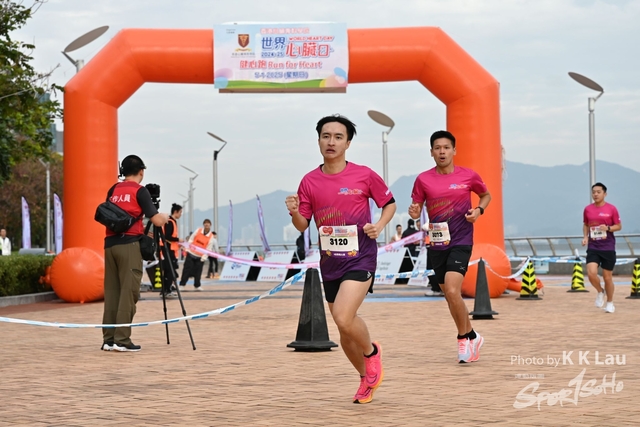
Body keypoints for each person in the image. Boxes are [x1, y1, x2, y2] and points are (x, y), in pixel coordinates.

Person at [285, 114, 396, 404]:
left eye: (338, 137)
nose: (331, 142)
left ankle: (372, 352)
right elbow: (302, 225)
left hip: (361, 258)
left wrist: (379, 226)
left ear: (348, 143)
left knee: (344, 317)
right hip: (330, 263)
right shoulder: (309, 181)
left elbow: (389, 203)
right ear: (318, 140)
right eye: (326, 136)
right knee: (344, 328)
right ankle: (365, 378)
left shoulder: (364, 175)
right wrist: (294, 211)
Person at [409, 130, 491, 363]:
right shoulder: (423, 179)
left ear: (454, 150)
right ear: (431, 152)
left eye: (446, 147)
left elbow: (486, 195)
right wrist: (414, 212)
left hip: (461, 240)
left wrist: (478, 210)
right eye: (437, 148)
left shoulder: (468, 175)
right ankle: (472, 335)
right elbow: (416, 208)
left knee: (453, 291)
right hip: (437, 243)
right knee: (449, 296)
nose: (442, 152)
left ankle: (463, 338)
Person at [101, 155, 169, 352]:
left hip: (110, 245)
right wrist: (165, 216)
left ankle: (109, 339)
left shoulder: (113, 189)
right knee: (128, 292)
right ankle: (122, 340)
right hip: (129, 245)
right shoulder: (140, 191)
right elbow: (156, 220)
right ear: (141, 171)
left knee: (112, 292)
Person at [581, 182, 622, 313]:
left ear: (605, 194)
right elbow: (586, 224)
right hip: (593, 246)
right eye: (593, 192)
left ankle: (610, 302)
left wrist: (608, 228)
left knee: (607, 277)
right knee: (591, 273)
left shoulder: (612, 209)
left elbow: (619, 226)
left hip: (608, 247)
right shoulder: (588, 209)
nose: (596, 194)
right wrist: (585, 237)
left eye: (598, 192)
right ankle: (600, 291)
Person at [179, 219, 215, 290]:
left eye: (208, 223)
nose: (206, 224)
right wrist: (187, 249)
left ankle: (197, 285)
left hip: (200, 256)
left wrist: (204, 257)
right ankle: (182, 285)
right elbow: (191, 239)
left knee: (198, 272)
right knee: (186, 270)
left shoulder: (211, 236)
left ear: (210, 225)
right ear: (203, 224)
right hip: (191, 253)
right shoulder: (198, 230)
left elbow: (209, 248)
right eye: (205, 223)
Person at [159, 203, 184, 297]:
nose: (181, 214)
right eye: (180, 212)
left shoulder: (172, 221)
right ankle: (167, 290)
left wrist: (177, 243)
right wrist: (178, 239)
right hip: (167, 249)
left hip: (171, 248)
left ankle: (166, 289)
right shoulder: (169, 222)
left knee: (170, 270)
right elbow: (167, 236)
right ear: (175, 212)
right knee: (169, 270)